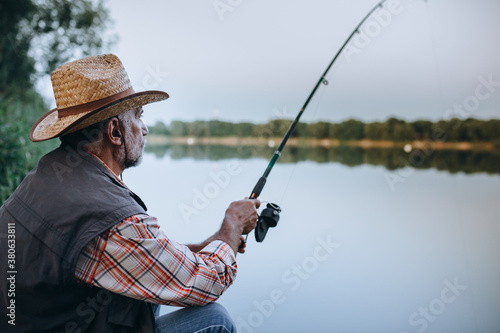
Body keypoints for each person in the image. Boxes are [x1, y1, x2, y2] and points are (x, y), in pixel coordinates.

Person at [0, 53, 260, 332]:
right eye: (138, 116)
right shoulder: (106, 214)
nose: (145, 130)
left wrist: (210, 244)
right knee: (215, 320)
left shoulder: (43, 177)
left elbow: (130, 251)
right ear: (115, 131)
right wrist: (232, 225)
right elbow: (207, 284)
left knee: (153, 293)